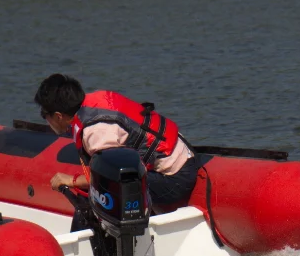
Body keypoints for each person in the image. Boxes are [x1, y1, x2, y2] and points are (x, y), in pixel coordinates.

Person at [34, 74, 200, 212]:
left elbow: (109, 177)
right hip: (182, 158)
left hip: (175, 179)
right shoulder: (95, 102)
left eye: (44, 114)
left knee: (108, 190)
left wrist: (71, 180)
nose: (44, 118)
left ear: (58, 116)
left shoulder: (96, 131)